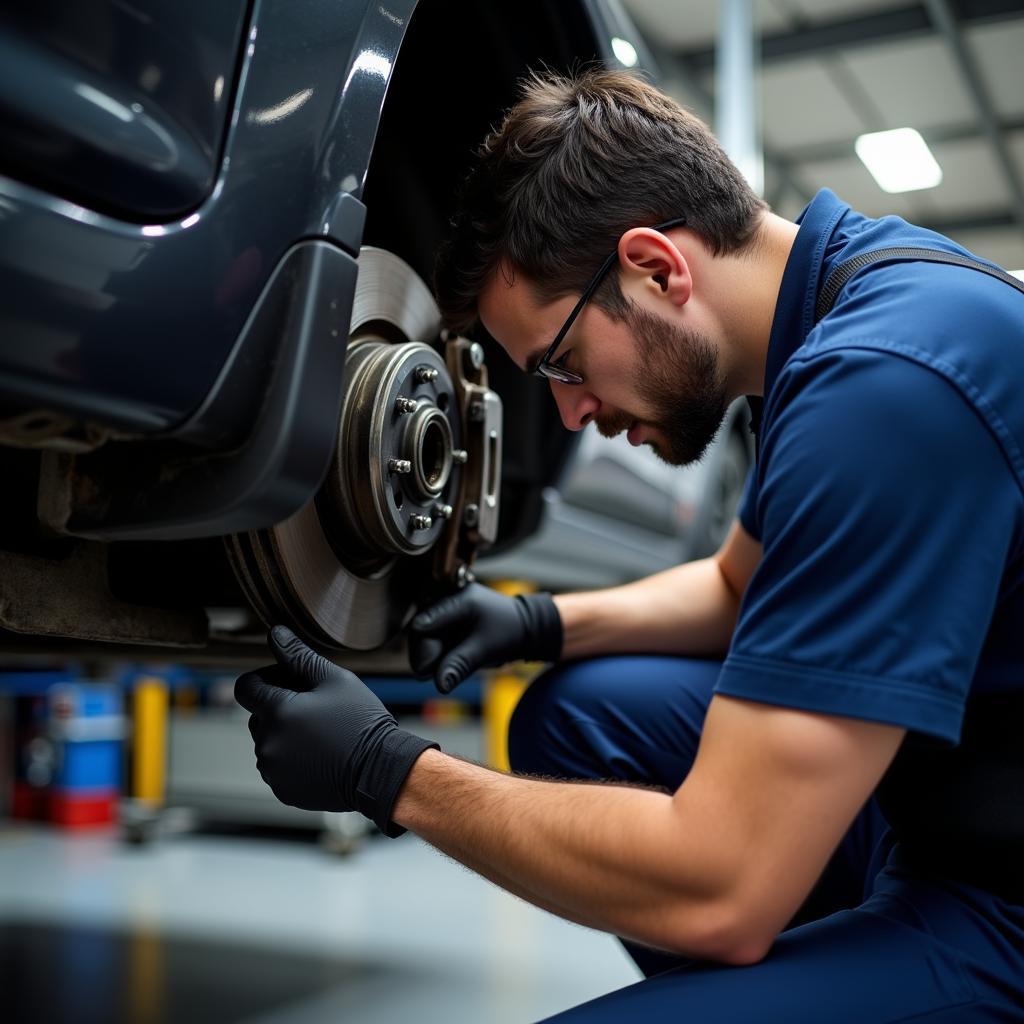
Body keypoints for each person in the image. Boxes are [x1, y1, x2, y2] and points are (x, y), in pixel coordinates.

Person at [234, 68, 1024, 1020]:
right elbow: (740, 588)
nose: (569, 415)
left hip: (999, 901)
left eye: (562, 365)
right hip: (940, 803)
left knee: (712, 894)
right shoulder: (842, 308)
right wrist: (535, 624)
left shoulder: (882, 389)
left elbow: (723, 887)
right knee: (581, 714)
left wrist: (389, 771)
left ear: (656, 266)